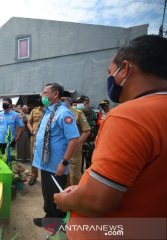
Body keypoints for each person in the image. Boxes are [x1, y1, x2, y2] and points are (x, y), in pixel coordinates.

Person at [54, 35, 167, 238]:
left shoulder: (129, 116)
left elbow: (96, 201)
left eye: (110, 72)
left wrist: (65, 200)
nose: (109, 79)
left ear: (125, 69)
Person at [32, 83, 79, 226]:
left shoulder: (63, 113)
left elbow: (74, 138)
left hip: (56, 164)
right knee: (47, 193)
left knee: (56, 194)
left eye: (45, 92)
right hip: (44, 162)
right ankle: (48, 217)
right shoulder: (48, 111)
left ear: (55, 94)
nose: (42, 95)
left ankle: (57, 223)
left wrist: (64, 162)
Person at [61, 93, 91, 186]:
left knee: (74, 175)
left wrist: (77, 143)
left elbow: (86, 131)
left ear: (69, 101)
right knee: (63, 174)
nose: (60, 102)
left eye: (62, 100)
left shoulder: (78, 113)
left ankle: (76, 195)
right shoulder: (57, 113)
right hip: (61, 148)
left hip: (74, 149)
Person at [75, 95, 98, 171]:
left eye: (80, 103)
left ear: (86, 103)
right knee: (78, 167)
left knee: (90, 166)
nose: (78, 104)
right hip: (79, 144)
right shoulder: (76, 114)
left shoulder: (95, 114)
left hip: (90, 144)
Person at [27, 98, 44, 186]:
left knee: (45, 157)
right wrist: (32, 131)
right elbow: (29, 123)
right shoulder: (34, 110)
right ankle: (34, 176)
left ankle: (46, 178)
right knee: (33, 157)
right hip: (34, 137)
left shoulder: (50, 110)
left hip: (46, 139)